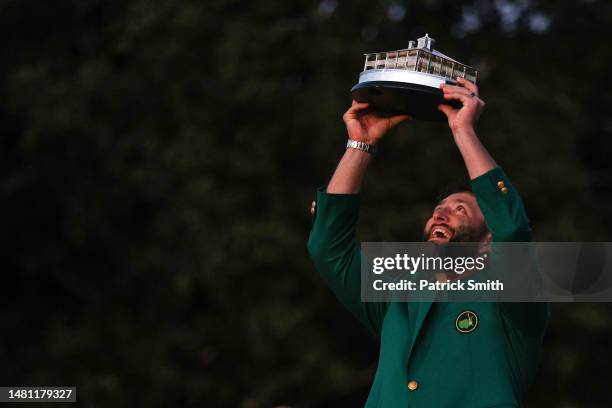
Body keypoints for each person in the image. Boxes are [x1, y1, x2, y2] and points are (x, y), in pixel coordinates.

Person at [307, 78, 549, 407]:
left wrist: (464, 130)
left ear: (487, 240)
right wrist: (360, 145)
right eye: (438, 210)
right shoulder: (396, 298)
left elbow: (512, 229)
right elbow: (328, 248)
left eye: (460, 210)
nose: (441, 215)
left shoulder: (512, 302)